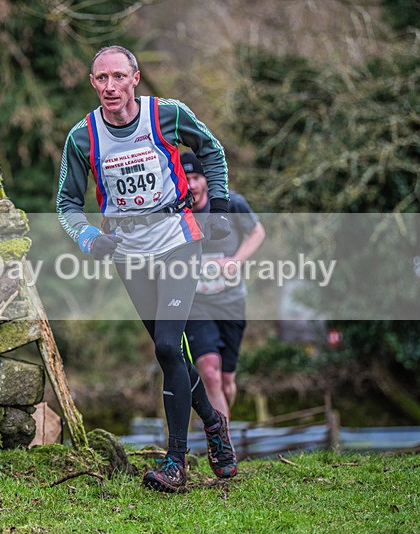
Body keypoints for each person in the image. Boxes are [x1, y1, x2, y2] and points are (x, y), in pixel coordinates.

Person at [56, 45, 237, 492]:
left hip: (178, 238)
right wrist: (89, 239)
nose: (110, 86)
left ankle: (176, 462)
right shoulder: (82, 138)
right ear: (93, 84)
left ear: (135, 78)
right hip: (129, 252)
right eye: (101, 79)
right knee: (168, 352)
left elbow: (212, 150)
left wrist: (217, 206)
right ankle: (215, 424)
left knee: (167, 343)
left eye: (119, 76)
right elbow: (66, 205)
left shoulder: (168, 114)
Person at [181, 151, 266, 422]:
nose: (191, 184)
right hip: (196, 303)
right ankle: (224, 444)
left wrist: (236, 261)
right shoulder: (174, 211)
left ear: (206, 180)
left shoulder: (230, 203)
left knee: (226, 379)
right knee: (209, 372)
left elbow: (257, 231)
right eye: (186, 178)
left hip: (230, 300)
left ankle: (225, 414)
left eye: (196, 177)